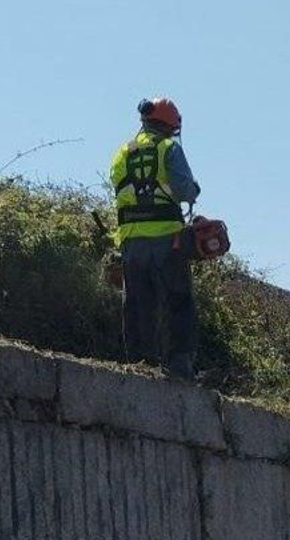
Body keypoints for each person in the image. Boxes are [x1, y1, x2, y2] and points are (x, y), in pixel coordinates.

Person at [109, 97, 201, 377]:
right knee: (177, 302)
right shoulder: (168, 148)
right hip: (167, 241)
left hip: (132, 241)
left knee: (137, 304)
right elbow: (186, 190)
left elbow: (117, 184)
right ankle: (179, 367)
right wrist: (194, 190)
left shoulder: (123, 152)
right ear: (171, 126)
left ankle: (139, 364)